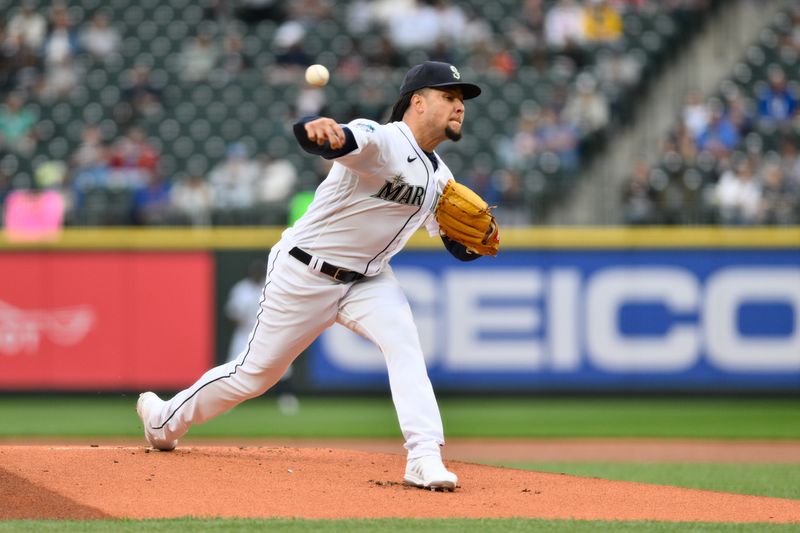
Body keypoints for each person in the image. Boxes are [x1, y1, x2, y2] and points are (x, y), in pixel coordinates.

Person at [136, 61, 490, 492]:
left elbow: (455, 243)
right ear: (417, 102)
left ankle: (424, 456)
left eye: (461, 101)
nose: (459, 107)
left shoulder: (440, 178)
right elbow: (332, 139)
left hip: (369, 281)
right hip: (304, 272)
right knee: (254, 375)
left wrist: (476, 242)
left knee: (404, 344)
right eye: (449, 97)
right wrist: (317, 130)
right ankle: (162, 421)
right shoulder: (383, 140)